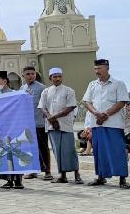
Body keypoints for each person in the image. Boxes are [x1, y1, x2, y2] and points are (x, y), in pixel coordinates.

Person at [82, 59, 129, 188]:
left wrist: (106, 114)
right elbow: (86, 102)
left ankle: (122, 179)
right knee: (99, 151)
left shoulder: (118, 84)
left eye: (100, 69)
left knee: (118, 151)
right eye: (95, 69)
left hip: (114, 124)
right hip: (97, 124)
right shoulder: (92, 85)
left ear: (107, 68)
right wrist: (97, 113)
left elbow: (121, 102)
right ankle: (101, 177)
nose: (97, 71)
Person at [38, 68, 83, 184]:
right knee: (57, 151)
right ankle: (63, 176)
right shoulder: (46, 91)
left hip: (65, 125)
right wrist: (50, 118)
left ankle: (77, 174)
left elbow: (70, 107)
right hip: (52, 126)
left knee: (69, 150)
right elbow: (42, 107)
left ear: (62, 77)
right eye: (54, 76)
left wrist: (54, 117)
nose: (57, 78)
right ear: (50, 78)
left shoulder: (69, 91)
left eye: (59, 76)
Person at [0, 71, 24, 189]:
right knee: (4, 153)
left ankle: (18, 181)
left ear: (5, 81)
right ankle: (8, 180)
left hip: (14, 128)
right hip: (1, 130)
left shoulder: (16, 94)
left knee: (15, 153)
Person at [20, 66, 51, 181]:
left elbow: (47, 105)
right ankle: (33, 170)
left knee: (43, 148)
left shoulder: (42, 88)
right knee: (30, 148)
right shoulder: (22, 89)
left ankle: (47, 171)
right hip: (27, 124)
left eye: (32, 73)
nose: (30, 76)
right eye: (28, 74)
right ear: (23, 75)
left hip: (39, 123)